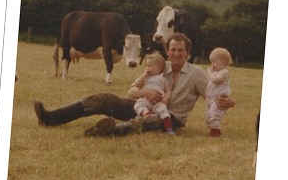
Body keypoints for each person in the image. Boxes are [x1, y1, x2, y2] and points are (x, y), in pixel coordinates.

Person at [34, 33, 235, 136]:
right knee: (103, 99)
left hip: (169, 118)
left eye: (180, 50)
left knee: (149, 122)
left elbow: (215, 95)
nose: (176, 54)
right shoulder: (158, 66)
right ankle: (51, 118)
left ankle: (107, 131)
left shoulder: (197, 73)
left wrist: (229, 103)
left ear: (188, 53)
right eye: (172, 50)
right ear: (167, 51)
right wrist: (145, 91)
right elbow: (132, 91)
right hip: (142, 106)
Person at [133, 53, 174, 135]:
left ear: (159, 68)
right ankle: (148, 114)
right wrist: (143, 76)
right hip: (145, 100)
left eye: (150, 66)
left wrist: (166, 99)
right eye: (146, 66)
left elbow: (168, 91)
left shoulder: (162, 79)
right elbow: (137, 84)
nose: (147, 68)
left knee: (163, 110)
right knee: (137, 105)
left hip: (158, 101)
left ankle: (169, 128)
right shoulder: (145, 77)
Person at [206, 47, 232, 137]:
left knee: (214, 115)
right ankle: (216, 130)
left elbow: (216, 80)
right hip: (213, 99)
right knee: (209, 115)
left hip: (219, 99)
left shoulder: (224, 72)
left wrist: (209, 72)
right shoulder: (217, 72)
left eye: (214, 62)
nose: (212, 65)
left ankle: (214, 132)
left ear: (223, 62)